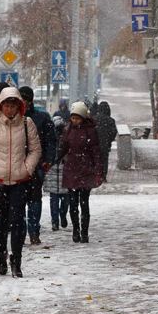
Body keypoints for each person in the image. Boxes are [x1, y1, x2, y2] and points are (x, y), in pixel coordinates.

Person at [0, 87, 41, 277]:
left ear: (19, 106)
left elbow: (35, 150)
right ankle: (1, 254)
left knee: (18, 222)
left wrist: (27, 168)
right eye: (7, 106)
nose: (10, 110)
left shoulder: (27, 124)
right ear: (1, 106)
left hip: (20, 182)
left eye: (13, 106)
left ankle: (17, 259)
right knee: (1, 222)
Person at [58, 101, 104, 242]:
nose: (74, 120)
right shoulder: (68, 130)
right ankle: (75, 230)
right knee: (73, 203)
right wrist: (54, 159)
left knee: (84, 203)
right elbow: (63, 147)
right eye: (73, 117)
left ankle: (84, 232)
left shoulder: (90, 131)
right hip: (72, 169)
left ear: (83, 117)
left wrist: (98, 170)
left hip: (85, 170)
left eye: (77, 118)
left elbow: (96, 152)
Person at [20, 86, 57, 245]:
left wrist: (47, 160)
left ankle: (34, 231)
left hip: (36, 166)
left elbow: (51, 141)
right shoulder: (12, 119)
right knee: (18, 201)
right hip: (17, 166)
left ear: (30, 101)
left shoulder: (41, 118)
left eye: (25, 100)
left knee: (34, 199)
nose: (23, 103)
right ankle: (20, 231)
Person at [45, 115, 69, 232]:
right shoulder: (51, 139)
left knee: (62, 199)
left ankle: (60, 217)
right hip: (53, 170)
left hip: (62, 171)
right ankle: (55, 220)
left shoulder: (66, 138)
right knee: (56, 199)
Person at [92, 100, 119, 182]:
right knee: (104, 160)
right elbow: (114, 132)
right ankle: (103, 177)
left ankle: (96, 176)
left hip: (94, 144)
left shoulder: (93, 119)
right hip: (105, 144)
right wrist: (108, 140)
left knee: (95, 160)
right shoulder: (111, 120)